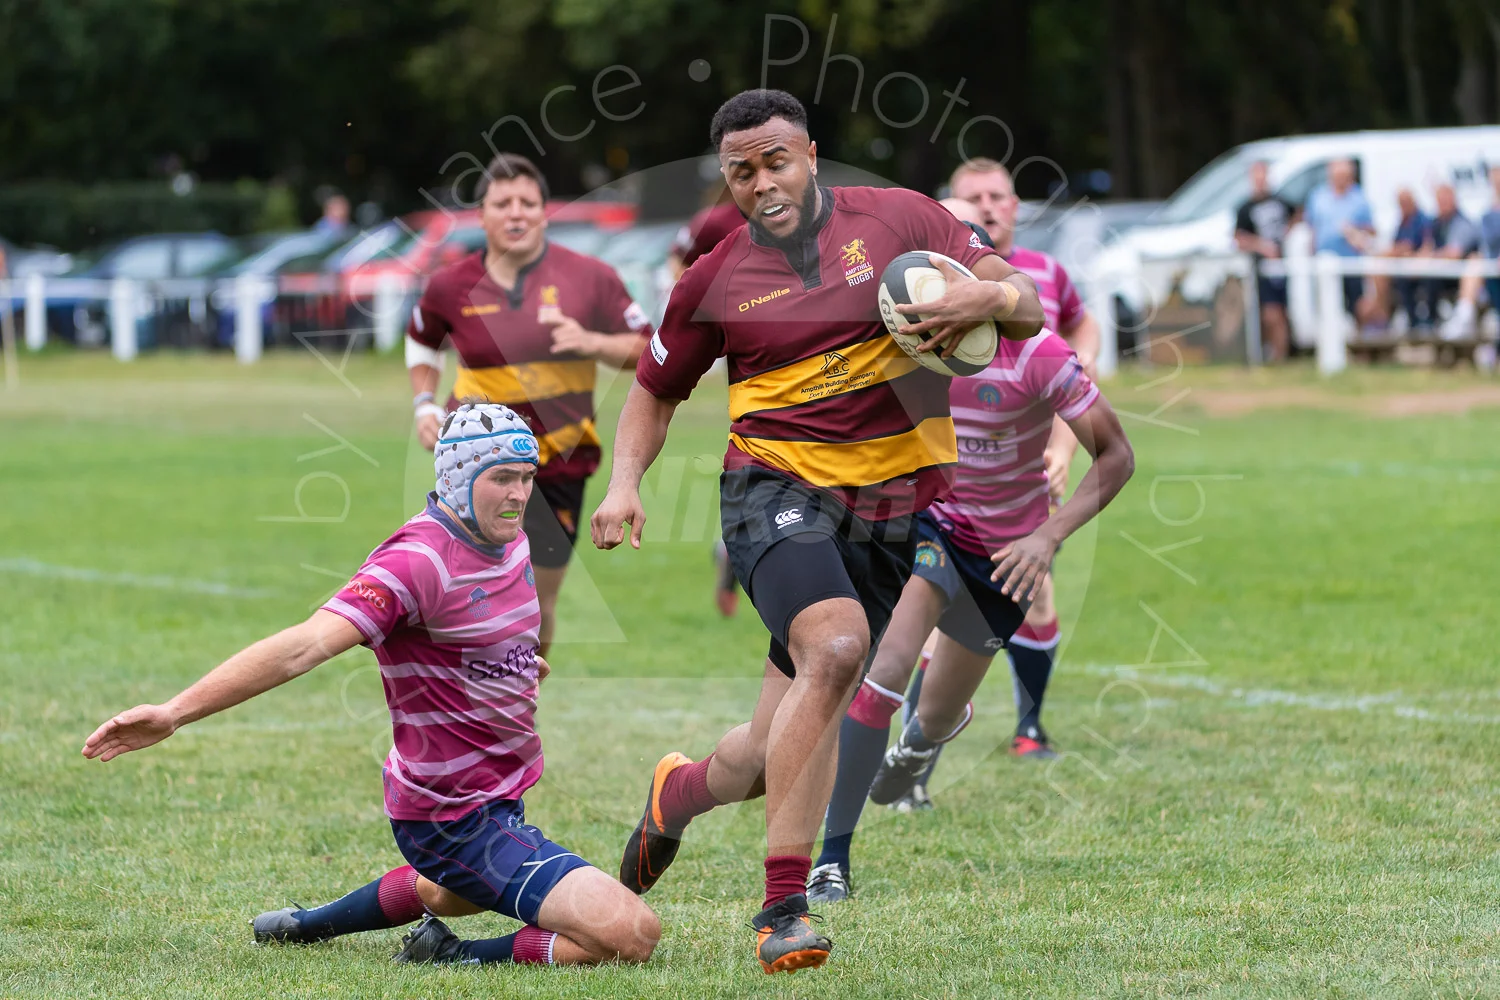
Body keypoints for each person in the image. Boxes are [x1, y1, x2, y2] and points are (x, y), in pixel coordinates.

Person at [589, 89, 1044, 973]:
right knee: (836, 649)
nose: (762, 183)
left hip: (888, 511)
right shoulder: (714, 277)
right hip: (773, 489)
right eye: (741, 172)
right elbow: (654, 388)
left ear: (811, 154)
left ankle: (676, 794)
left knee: (770, 752)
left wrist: (978, 297)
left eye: (776, 161)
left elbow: (1022, 304)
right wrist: (625, 484)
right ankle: (782, 908)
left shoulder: (907, 221)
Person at [81, 403, 660, 968]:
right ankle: (450, 956)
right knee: (630, 932)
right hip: (452, 816)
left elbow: (470, 635)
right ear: (459, 479)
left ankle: (305, 925)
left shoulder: (510, 536)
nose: (519, 494)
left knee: (447, 893)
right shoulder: (415, 562)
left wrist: (512, 662)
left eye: (527, 478)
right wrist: (175, 712)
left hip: (495, 793)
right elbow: (301, 647)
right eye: (502, 478)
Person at [804, 205, 1135, 905]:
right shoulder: (911, 349)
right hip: (934, 526)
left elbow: (1118, 455)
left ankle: (920, 747)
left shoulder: (1039, 354)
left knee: (932, 716)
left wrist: (1049, 536)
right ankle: (831, 859)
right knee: (885, 670)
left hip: (1009, 556)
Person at [895, 159, 1101, 777]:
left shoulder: (1047, 277)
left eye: (998, 196)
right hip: (944, 478)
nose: (988, 206)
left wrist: (1062, 448)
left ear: (1015, 205)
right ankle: (916, 757)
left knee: (1032, 598)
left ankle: (1029, 725)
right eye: (973, 197)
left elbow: (1077, 343)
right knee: (927, 616)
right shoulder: (927, 282)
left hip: (1019, 479)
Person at [406, 153, 652, 656]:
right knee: (455, 591)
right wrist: (425, 405)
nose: (515, 213)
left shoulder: (591, 277)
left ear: (543, 212)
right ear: (483, 214)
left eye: (527, 203)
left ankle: (516, 712)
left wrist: (591, 341)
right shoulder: (450, 285)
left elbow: (649, 348)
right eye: (502, 203)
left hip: (557, 463)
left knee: (534, 603)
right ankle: (459, 710)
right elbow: (420, 340)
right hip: (470, 464)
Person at [1233, 161, 1295, 361]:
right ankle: (1273, 357)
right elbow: (1239, 239)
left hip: (1283, 267)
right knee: (1269, 314)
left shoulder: (1281, 202)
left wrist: (1291, 235)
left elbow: (1298, 216)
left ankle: (1281, 357)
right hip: (1261, 270)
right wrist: (1261, 246)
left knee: (1281, 313)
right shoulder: (1244, 208)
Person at [1304, 159, 1375, 319]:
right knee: (1329, 307)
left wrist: (1355, 232)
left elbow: (1371, 231)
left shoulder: (1359, 198)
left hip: (1352, 263)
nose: (1341, 178)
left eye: (1344, 175)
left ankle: (1358, 340)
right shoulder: (1318, 197)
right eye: (1337, 175)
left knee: (1356, 305)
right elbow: (1312, 229)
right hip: (1324, 263)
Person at [1418, 183, 1484, 339]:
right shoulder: (1435, 224)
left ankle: (1460, 318)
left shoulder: (1463, 224)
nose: (1442, 204)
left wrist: (1431, 257)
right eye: (1439, 200)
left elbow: (1454, 253)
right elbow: (1426, 249)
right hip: (1440, 277)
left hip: (1457, 280)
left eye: (1446, 200)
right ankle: (1423, 321)